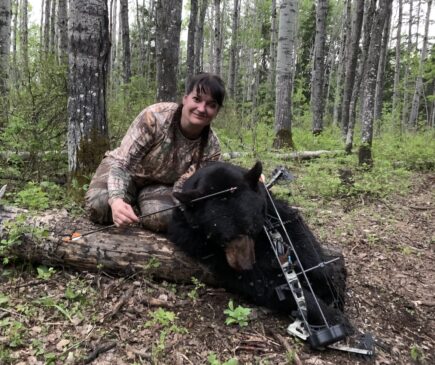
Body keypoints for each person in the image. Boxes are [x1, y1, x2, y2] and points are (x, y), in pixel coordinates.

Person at [85, 73, 225, 232]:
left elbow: (183, 188)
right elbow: (122, 164)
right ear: (185, 98)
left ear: (217, 110)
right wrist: (116, 200)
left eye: (211, 105)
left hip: (160, 185)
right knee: (100, 205)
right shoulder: (155, 117)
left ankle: (138, 206)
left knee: (166, 218)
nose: (201, 109)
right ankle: (128, 204)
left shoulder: (211, 148)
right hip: (126, 171)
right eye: (197, 99)